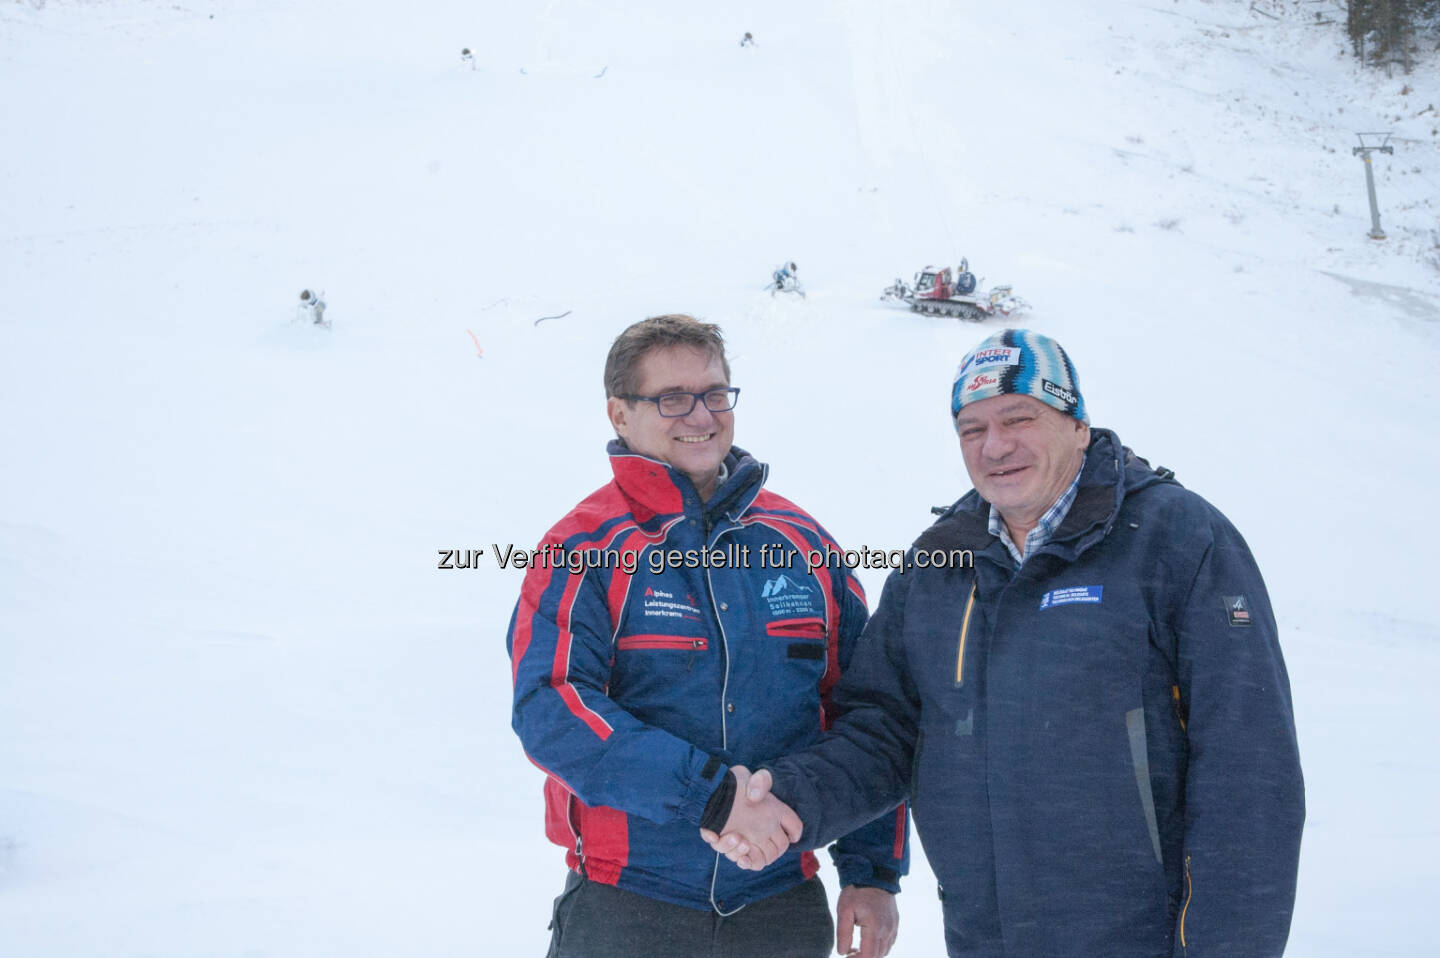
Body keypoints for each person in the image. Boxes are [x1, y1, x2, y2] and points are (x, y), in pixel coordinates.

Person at [705, 328, 1306, 957]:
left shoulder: (1175, 538)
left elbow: (1250, 777)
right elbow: (883, 731)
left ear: (1076, 424)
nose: (995, 446)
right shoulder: (938, 563)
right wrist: (790, 799)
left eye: (1020, 418)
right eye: (972, 429)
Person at [508, 314, 908, 958]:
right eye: (671, 398)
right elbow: (552, 707)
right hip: (629, 909)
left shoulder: (804, 546)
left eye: (715, 394)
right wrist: (711, 797)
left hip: (780, 908)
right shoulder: (582, 547)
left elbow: (866, 719)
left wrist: (871, 873)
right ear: (620, 413)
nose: (701, 415)